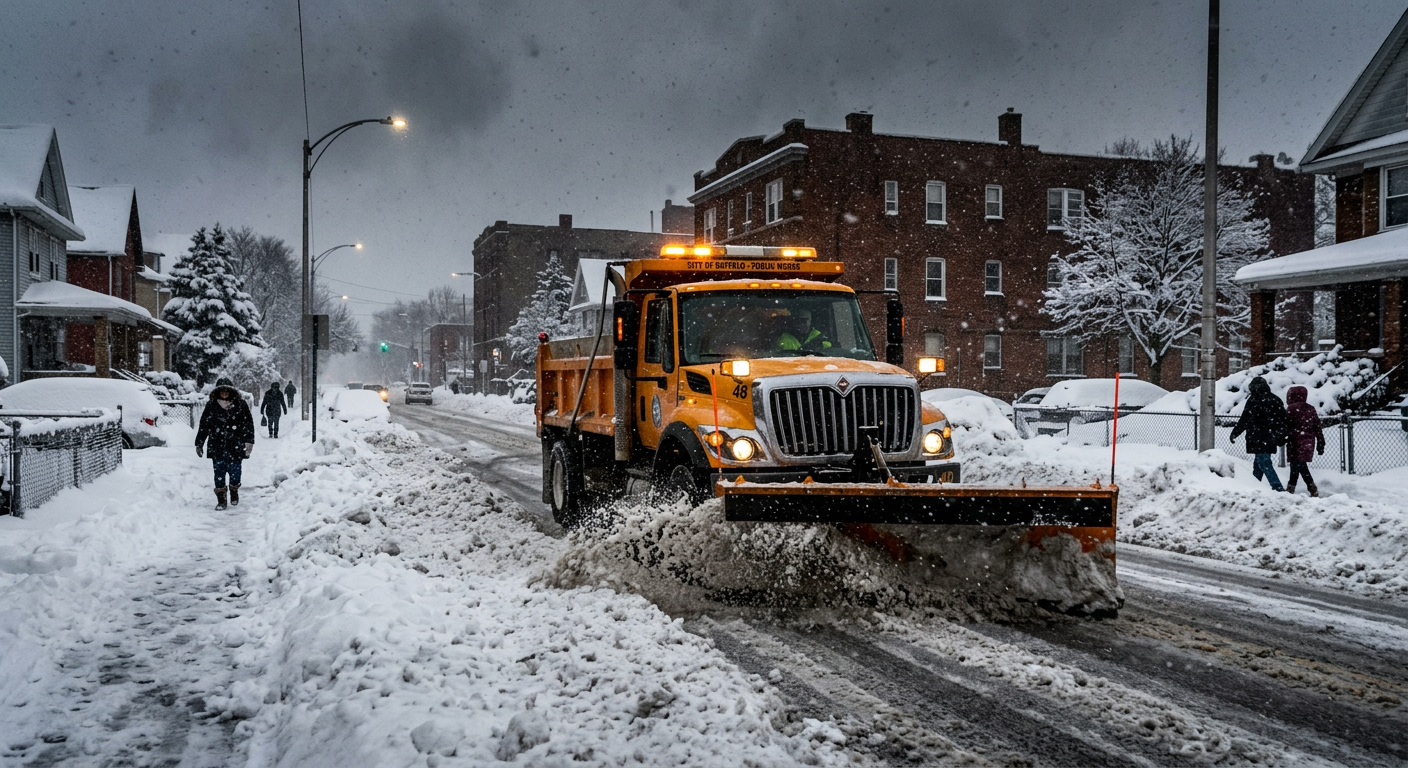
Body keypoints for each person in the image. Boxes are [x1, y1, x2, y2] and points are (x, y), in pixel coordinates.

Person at [196, 380, 255, 510]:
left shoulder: (241, 405)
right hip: (217, 445)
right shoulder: (211, 406)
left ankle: (234, 490)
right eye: (222, 390)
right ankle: (221, 500)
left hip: (236, 445)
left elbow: (248, 425)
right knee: (219, 473)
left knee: (235, 471)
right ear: (217, 391)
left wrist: (249, 441)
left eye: (227, 390)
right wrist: (199, 443)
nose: (224, 393)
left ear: (231, 391)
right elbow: (204, 426)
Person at [1230, 376, 1289, 491]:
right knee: (1259, 463)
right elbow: (1283, 420)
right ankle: (1254, 486)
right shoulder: (1274, 400)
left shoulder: (1252, 400)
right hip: (1269, 437)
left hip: (1255, 437)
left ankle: (1278, 488)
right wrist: (1281, 435)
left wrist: (1235, 432)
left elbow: (1244, 419)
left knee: (1264, 463)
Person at [1285, 385, 1325, 497]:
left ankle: (1296, 489)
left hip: (1294, 441)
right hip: (1308, 441)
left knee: (1297, 465)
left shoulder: (1291, 409)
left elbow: (1285, 425)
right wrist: (1321, 441)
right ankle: (1305, 488)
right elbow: (1317, 426)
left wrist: (1282, 437)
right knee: (1299, 465)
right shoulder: (1310, 408)